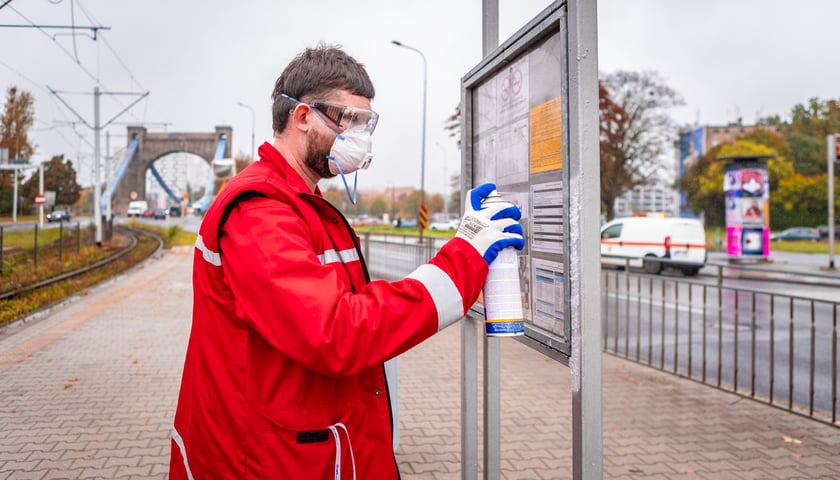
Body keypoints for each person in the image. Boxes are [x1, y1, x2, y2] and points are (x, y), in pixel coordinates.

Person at [169, 45, 524, 479]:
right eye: (350, 120)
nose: (362, 136)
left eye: (367, 123)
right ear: (303, 117)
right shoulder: (259, 211)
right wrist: (462, 259)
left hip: (301, 445)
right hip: (265, 459)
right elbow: (336, 332)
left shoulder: (304, 203)